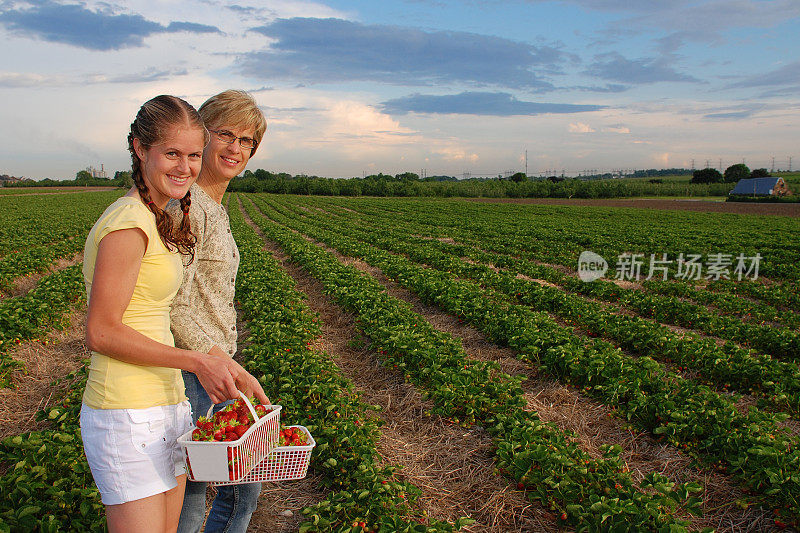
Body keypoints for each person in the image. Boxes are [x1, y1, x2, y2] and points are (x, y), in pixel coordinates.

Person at [80, 94, 267, 532]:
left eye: (191, 156)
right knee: (222, 492)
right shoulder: (134, 221)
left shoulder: (170, 212)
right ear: (140, 148)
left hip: (166, 399)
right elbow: (104, 330)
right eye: (172, 153)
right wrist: (207, 360)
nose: (184, 166)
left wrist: (221, 365)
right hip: (130, 404)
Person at [168, 90, 268, 533]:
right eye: (224, 134)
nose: (235, 148)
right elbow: (174, 303)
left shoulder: (214, 208)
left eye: (246, 140)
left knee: (238, 484)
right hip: (195, 370)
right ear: (201, 137)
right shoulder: (187, 207)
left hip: (213, 366)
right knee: (197, 488)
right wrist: (218, 361)